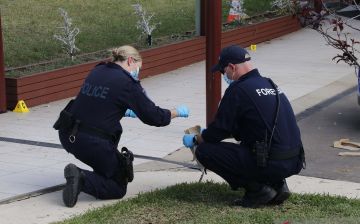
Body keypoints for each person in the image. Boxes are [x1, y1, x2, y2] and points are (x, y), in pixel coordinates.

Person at [54, 45, 190, 207]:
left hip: (67, 135)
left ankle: (88, 176)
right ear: (131, 61)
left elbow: (97, 100)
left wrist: (123, 111)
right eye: (138, 68)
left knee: (111, 165)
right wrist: (176, 112)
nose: (137, 73)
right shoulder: (127, 83)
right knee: (118, 186)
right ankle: (81, 178)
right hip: (92, 143)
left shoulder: (98, 70)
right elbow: (154, 117)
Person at [183, 45, 305, 208]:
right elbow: (250, 127)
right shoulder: (270, 84)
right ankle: (278, 185)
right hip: (294, 160)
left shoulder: (238, 90)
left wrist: (197, 139)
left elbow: (218, 130)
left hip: (271, 162)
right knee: (258, 145)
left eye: (223, 71)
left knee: (205, 151)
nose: (224, 75)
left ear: (232, 67)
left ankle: (258, 190)